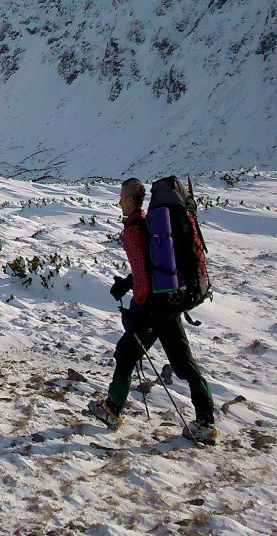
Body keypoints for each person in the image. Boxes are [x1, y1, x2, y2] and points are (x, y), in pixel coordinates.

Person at [89, 178, 217, 444]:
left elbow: (145, 280)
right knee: (184, 364)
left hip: (153, 308)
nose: (119, 202)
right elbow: (151, 266)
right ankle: (206, 422)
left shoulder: (133, 232)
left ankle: (112, 410)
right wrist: (126, 283)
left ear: (132, 200)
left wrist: (136, 309)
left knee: (125, 354)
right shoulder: (150, 224)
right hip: (170, 303)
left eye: (122, 197)